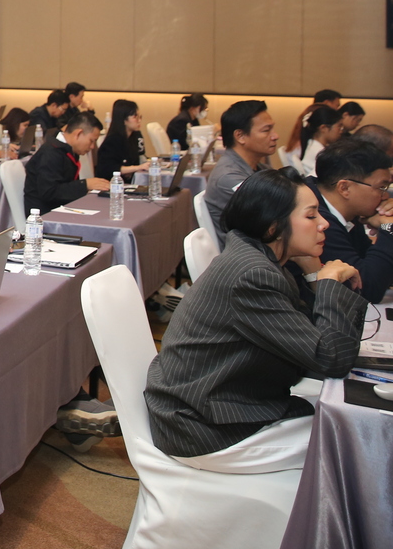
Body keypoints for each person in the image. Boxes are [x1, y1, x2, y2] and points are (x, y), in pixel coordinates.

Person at [144, 168, 364, 471]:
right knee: (352, 441)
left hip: (214, 403)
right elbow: (332, 358)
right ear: (274, 227)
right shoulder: (254, 274)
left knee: (346, 423)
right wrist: (327, 282)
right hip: (204, 427)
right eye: (311, 216)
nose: (323, 223)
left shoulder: (258, 258)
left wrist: (315, 273)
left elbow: (309, 339)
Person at [310, 139, 393, 303]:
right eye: (381, 187)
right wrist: (389, 227)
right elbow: (366, 289)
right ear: (345, 188)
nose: (385, 196)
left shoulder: (346, 210)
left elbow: (379, 271)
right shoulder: (317, 219)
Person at [206, 100, 278, 249]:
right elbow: (275, 214)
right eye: (266, 130)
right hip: (247, 255)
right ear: (240, 136)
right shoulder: (228, 177)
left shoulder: (261, 168)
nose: (275, 136)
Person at [23, 112, 109, 214]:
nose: (92, 147)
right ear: (78, 133)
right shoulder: (50, 153)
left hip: (62, 208)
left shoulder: (67, 149)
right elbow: (49, 192)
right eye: (91, 141)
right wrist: (85, 185)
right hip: (44, 215)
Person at [95, 99, 151, 180]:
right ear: (123, 120)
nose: (139, 120)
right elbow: (109, 169)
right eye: (135, 117)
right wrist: (136, 168)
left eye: (140, 117)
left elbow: (135, 161)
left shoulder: (134, 136)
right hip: (111, 183)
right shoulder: (112, 141)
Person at [300, 105, 345, 172]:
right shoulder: (320, 153)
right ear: (323, 128)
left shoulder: (312, 144)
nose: (341, 131)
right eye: (339, 126)